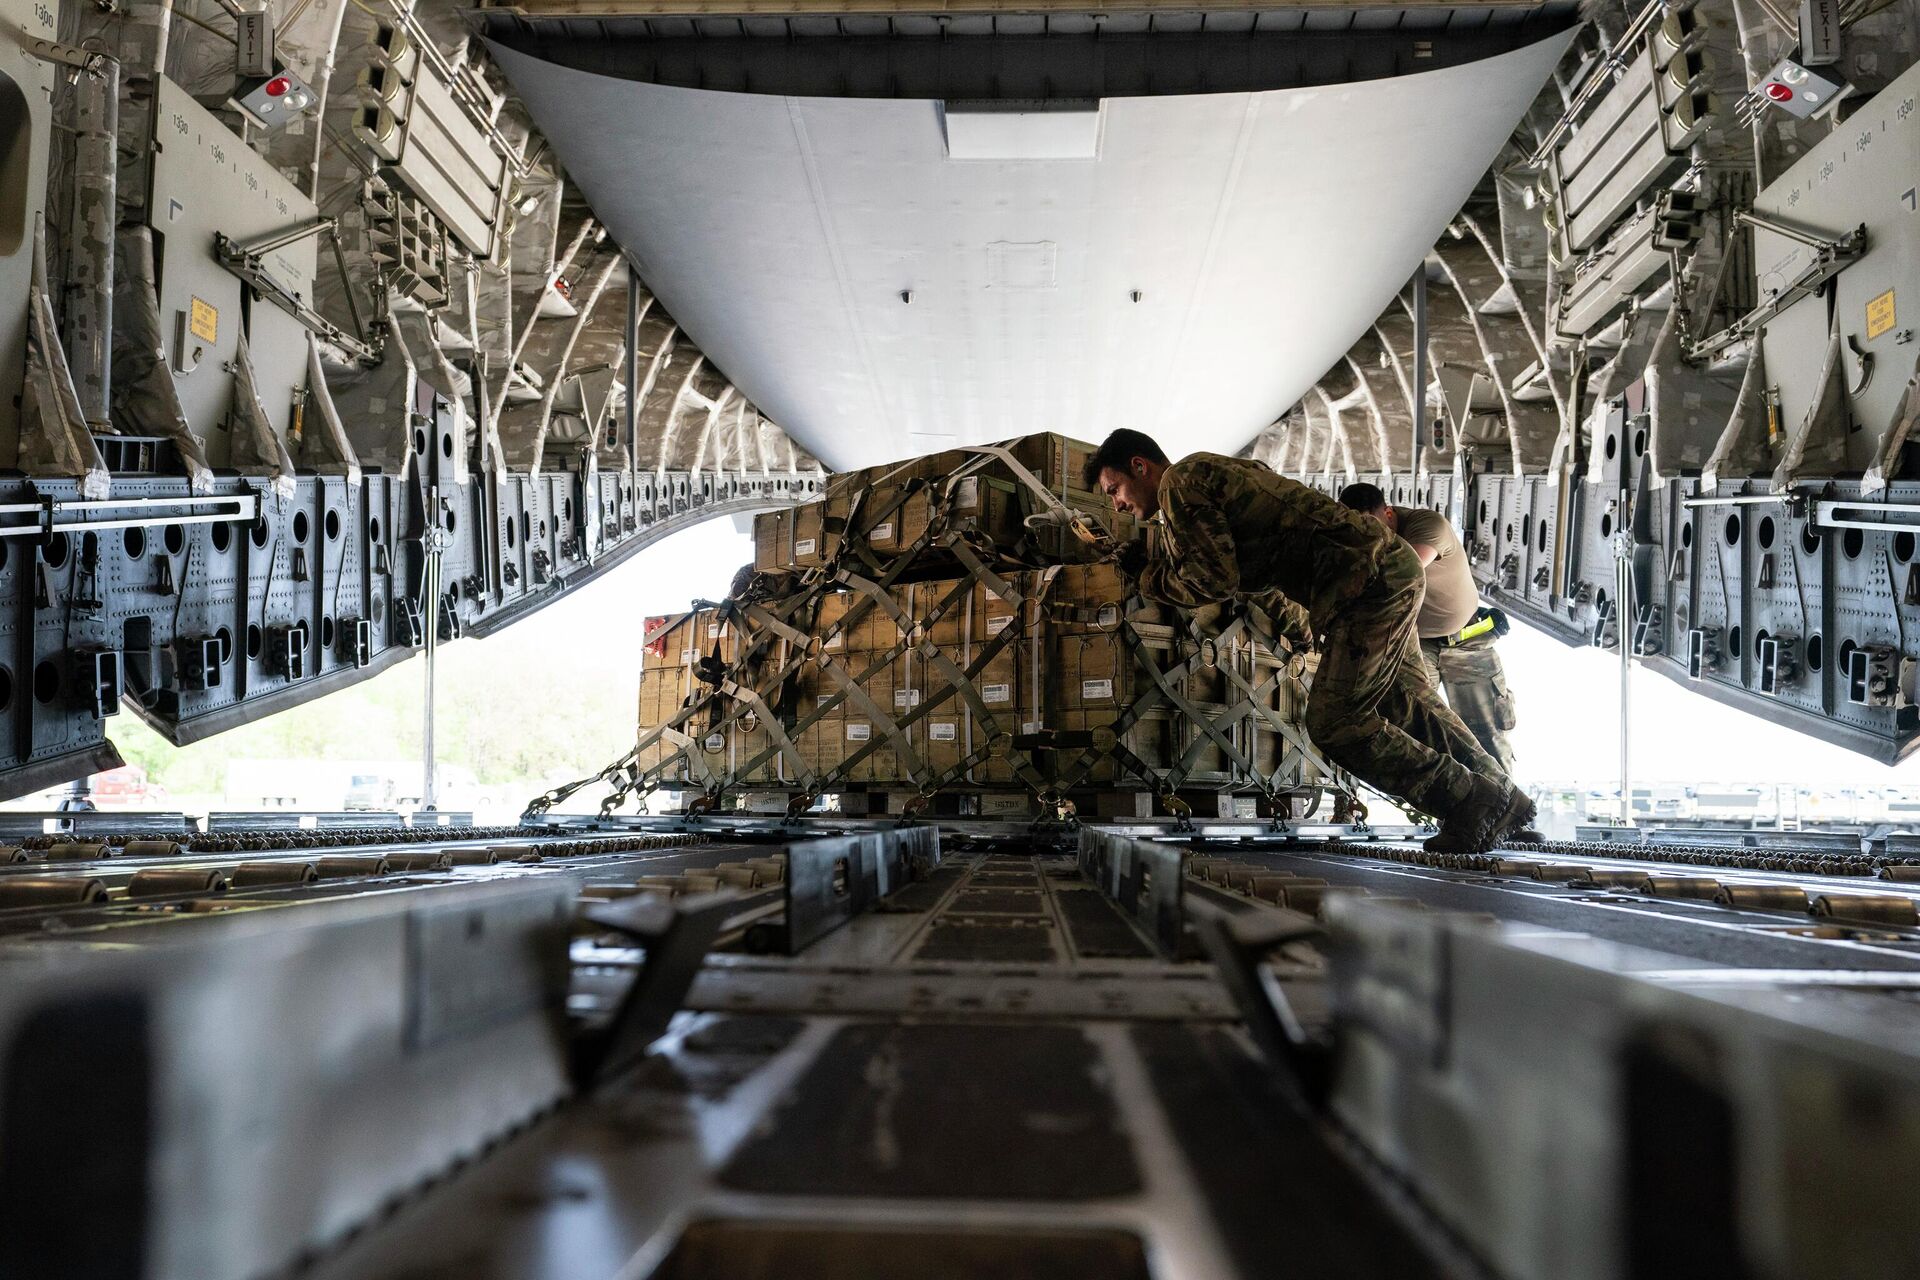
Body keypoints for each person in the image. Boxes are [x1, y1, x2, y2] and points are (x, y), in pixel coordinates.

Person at [1085, 429, 1532, 853]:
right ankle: (1506, 798)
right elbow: (1260, 562)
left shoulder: (1179, 485)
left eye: (1114, 490)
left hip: (1364, 586)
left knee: (1336, 723)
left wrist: (1145, 574)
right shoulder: (1215, 472)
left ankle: (1469, 799)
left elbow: (1214, 581)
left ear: (1139, 466)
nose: (1118, 505)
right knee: (1408, 702)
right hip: (1386, 571)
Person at [1338, 483, 1518, 774]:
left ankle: (1508, 808)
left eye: (1372, 525)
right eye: (1358, 528)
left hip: (1467, 643)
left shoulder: (1426, 525)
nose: (1367, 535)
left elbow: (1405, 572)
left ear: (1388, 513)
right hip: (1420, 645)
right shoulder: (1359, 538)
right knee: (1421, 729)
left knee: (1487, 736)